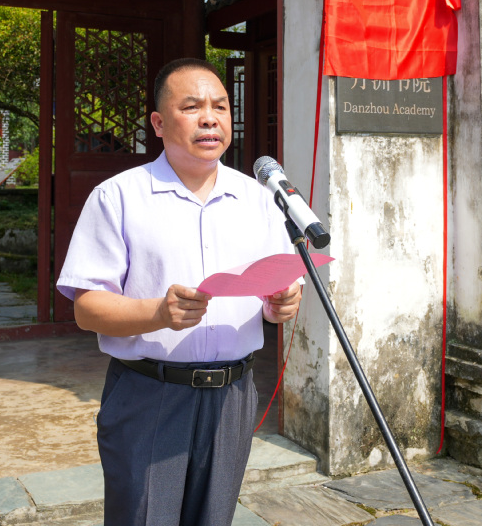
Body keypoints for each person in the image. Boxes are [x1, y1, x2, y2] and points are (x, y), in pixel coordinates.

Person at [56, 58, 302, 526]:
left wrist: (281, 303)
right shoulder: (118, 197)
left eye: (221, 107)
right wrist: (158, 313)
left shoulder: (259, 200)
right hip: (150, 395)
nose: (210, 118)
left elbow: (277, 291)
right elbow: (87, 308)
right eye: (191, 107)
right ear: (158, 123)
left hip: (232, 397)